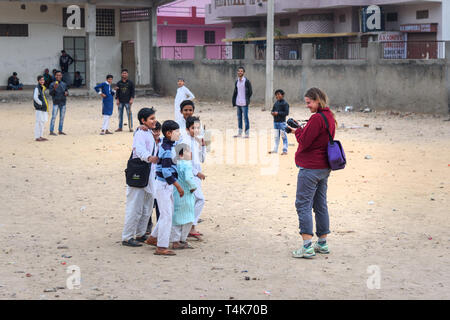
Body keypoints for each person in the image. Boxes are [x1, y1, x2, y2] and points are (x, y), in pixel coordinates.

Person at [286, 88, 336, 259]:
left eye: (309, 102)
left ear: (317, 100)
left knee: (303, 204)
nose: (307, 106)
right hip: (324, 167)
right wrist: (300, 129)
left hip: (311, 168)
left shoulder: (316, 119)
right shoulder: (329, 116)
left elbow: (305, 141)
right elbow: (316, 138)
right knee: (320, 204)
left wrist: (296, 131)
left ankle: (307, 245)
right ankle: (322, 243)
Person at [145, 120, 184, 256]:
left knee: (168, 213)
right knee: (166, 215)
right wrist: (178, 186)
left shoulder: (168, 143)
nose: (179, 134)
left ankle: (153, 238)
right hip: (163, 185)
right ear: (169, 133)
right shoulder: (167, 149)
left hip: (165, 185)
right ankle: (161, 247)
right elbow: (167, 172)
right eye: (177, 132)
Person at [122, 108, 159, 247]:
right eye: (151, 118)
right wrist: (149, 157)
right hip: (139, 174)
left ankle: (140, 233)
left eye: (154, 118)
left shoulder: (149, 132)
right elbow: (139, 149)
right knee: (134, 207)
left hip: (149, 176)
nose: (154, 121)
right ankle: (127, 237)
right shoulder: (141, 133)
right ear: (143, 121)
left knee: (147, 206)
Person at [179, 116, 206, 240]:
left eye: (198, 128)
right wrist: (196, 173)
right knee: (200, 199)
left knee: (192, 201)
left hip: (196, 176)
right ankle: (191, 226)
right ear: (187, 129)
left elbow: (202, 159)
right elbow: (184, 162)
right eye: (193, 128)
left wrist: (203, 146)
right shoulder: (184, 141)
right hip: (189, 176)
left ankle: (190, 228)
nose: (196, 130)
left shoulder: (195, 141)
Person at [170, 143, 197, 249]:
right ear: (182, 154)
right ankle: (182, 240)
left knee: (176, 217)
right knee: (188, 218)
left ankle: (175, 240)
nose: (190, 153)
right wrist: (193, 187)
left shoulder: (176, 163)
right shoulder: (187, 164)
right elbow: (188, 178)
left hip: (176, 192)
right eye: (187, 151)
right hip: (186, 193)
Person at [146, 121, 162, 235]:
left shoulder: (163, 143)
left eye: (157, 130)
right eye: (154, 131)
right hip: (149, 176)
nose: (156, 133)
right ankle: (148, 226)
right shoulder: (147, 142)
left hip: (159, 177)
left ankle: (160, 227)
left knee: (160, 205)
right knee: (149, 204)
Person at [232, 67, 252, 138]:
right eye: (239, 71)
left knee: (245, 118)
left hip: (244, 103)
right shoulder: (236, 82)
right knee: (239, 118)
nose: (240, 72)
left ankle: (247, 133)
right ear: (237, 72)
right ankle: (239, 133)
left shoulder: (246, 81)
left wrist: (246, 99)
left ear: (243, 73)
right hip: (238, 103)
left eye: (241, 71)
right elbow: (236, 92)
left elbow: (250, 92)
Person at [269, 89, 289, 155]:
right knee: (276, 137)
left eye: (278, 94)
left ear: (282, 95)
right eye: (276, 95)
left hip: (282, 123)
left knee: (284, 137)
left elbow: (286, 113)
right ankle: (275, 150)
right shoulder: (276, 103)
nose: (277, 96)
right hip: (275, 123)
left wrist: (278, 113)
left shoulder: (285, 103)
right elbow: (272, 110)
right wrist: (272, 113)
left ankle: (285, 150)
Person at [48, 71, 69, 136]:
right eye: (57, 75)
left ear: (61, 76)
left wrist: (67, 93)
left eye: (60, 75)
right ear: (55, 76)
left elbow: (67, 91)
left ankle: (60, 130)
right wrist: (54, 88)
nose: (58, 76)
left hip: (63, 102)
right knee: (54, 117)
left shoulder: (64, 84)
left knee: (62, 117)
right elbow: (51, 93)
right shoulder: (52, 84)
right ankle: (51, 131)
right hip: (56, 102)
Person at [33, 75, 49, 142]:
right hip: (39, 108)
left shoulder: (42, 88)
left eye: (43, 80)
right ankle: (37, 137)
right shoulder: (37, 88)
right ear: (38, 81)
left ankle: (41, 136)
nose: (42, 81)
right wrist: (41, 103)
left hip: (43, 108)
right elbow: (35, 97)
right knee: (38, 122)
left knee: (42, 122)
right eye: (41, 80)